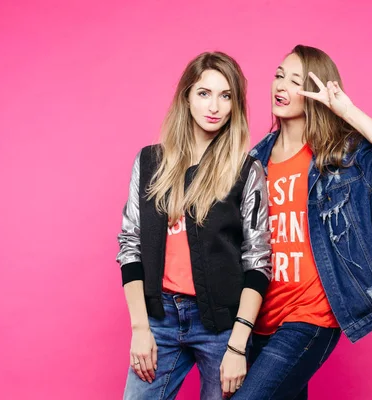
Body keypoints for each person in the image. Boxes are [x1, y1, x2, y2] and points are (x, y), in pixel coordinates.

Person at [234, 45, 372, 399]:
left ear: (314, 92)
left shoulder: (340, 157)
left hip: (311, 317)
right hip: (261, 317)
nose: (282, 86)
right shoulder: (254, 161)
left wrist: (345, 110)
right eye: (279, 75)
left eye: (295, 80)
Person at [116, 51, 272, 399]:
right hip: (159, 319)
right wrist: (141, 327)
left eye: (225, 95)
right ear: (186, 97)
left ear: (235, 105)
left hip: (221, 328)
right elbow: (130, 245)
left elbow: (258, 261)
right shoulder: (149, 161)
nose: (214, 106)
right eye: (204, 93)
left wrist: (237, 345)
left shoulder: (246, 171)